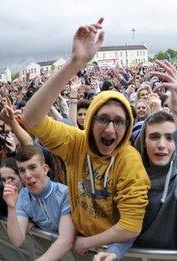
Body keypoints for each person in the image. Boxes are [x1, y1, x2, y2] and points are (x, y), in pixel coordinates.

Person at [21, 18, 150, 260]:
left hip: (117, 247)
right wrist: (74, 63)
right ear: (89, 122)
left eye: (119, 122)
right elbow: (31, 119)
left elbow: (131, 226)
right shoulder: (75, 142)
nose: (111, 131)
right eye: (103, 119)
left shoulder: (129, 162)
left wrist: (89, 242)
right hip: (81, 242)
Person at [132, 61, 177, 249]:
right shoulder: (129, 176)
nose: (162, 145)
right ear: (143, 141)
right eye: (154, 137)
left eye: (170, 138)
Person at [2, 145, 74, 260]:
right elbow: (17, 241)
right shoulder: (23, 196)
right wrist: (11, 207)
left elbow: (66, 240)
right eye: (22, 171)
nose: (27, 175)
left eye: (32, 167)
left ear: (45, 169)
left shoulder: (64, 193)